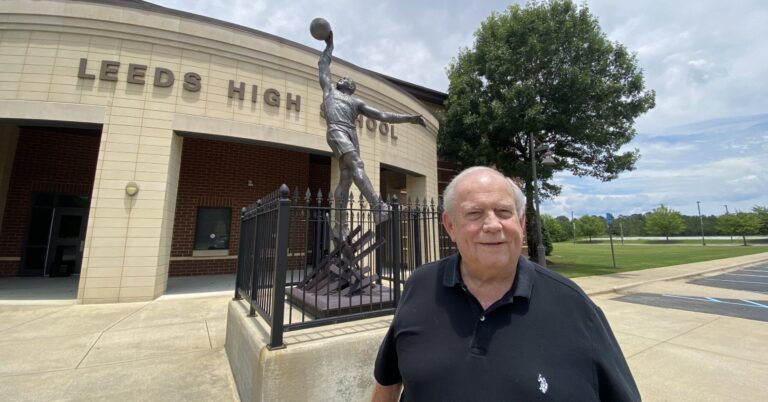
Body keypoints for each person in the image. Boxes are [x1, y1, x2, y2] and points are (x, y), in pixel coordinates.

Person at [372, 166, 640, 401]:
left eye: (503, 212)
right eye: (474, 213)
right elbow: (387, 383)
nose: (492, 225)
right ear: (450, 226)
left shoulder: (573, 305)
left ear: (521, 222)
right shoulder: (420, 285)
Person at [318, 31, 425, 239]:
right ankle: (377, 206)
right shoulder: (329, 91)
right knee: (357, 165)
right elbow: (323, 65)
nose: (342, 78)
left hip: (350, 133)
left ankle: (340, 227)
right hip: (337, 130)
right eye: (341, 77)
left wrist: (410, 118)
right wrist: (329, 46)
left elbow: (383, 115)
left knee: (347, 179)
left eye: (347, 79)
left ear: (351, 87)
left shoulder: (357, 103)